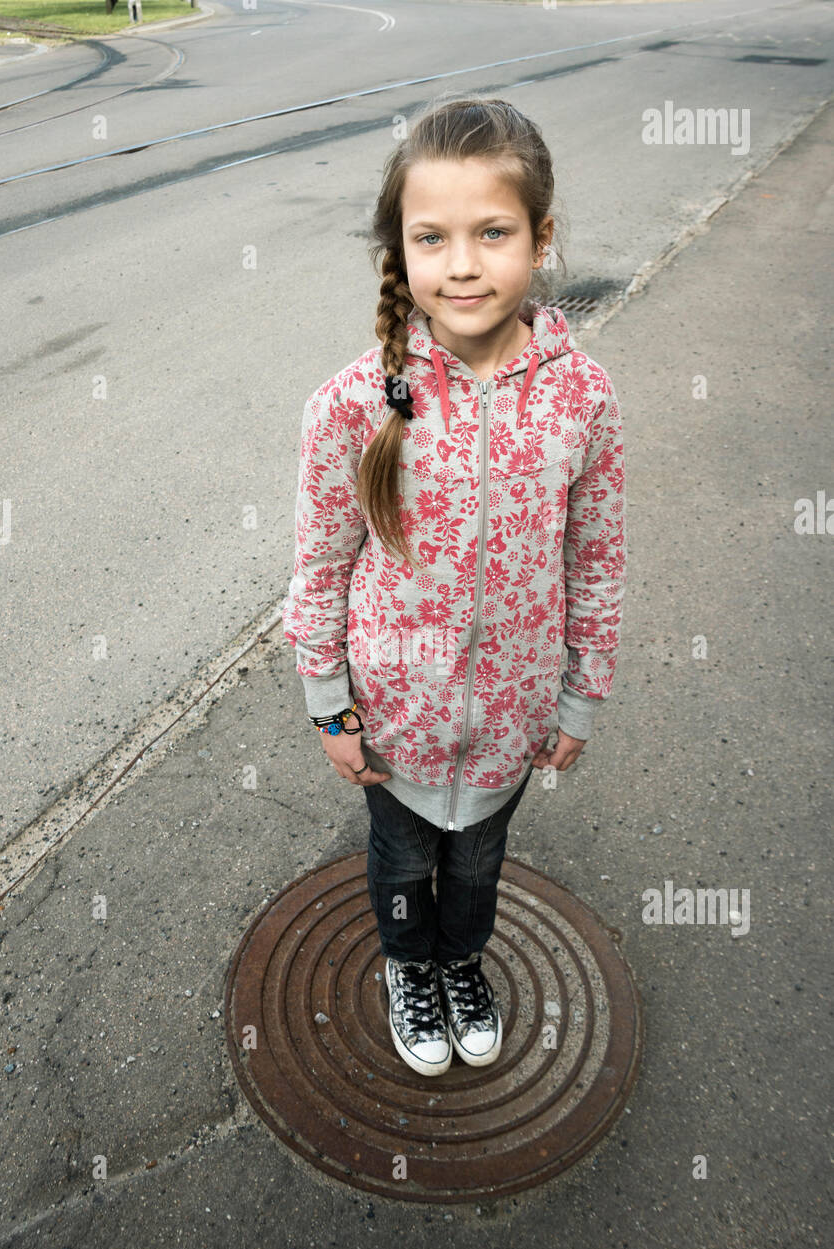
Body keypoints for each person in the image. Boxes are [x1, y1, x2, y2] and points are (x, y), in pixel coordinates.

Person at [283, 94, 626, 1078]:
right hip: (395, 726)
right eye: (432, 237)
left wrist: (579, 696)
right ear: (400, 246)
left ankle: (460, 959)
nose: (464, 263)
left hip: (512, 719)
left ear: (541, 237)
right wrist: (330, 707)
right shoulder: (353, 404)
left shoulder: (582, 398)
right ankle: (408, 965)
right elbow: (320, 563)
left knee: (476, 869)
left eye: (493, 232)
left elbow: (597, 558)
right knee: (400, 867)